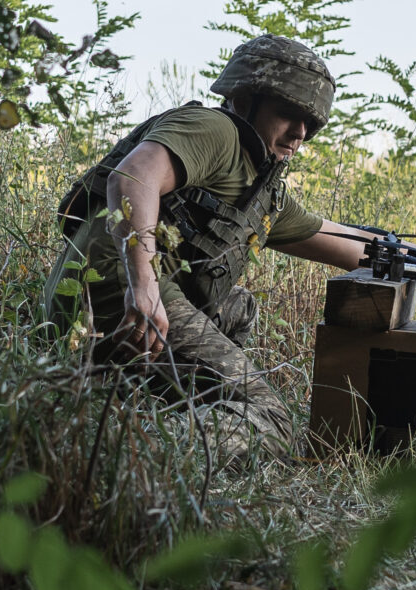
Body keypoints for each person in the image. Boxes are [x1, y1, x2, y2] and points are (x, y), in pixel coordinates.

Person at [47, 35, 374, 464]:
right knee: (273, 423)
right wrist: (143, 285)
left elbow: (353, 245)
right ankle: (123, 456)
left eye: (309, 124)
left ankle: (157, 407)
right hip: (117, 293)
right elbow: (133, 177)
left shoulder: (260, 189)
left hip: (126, 306)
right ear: (245, 98)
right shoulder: (215, 130)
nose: (299, 134)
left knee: (239, 306)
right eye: (288, 114)